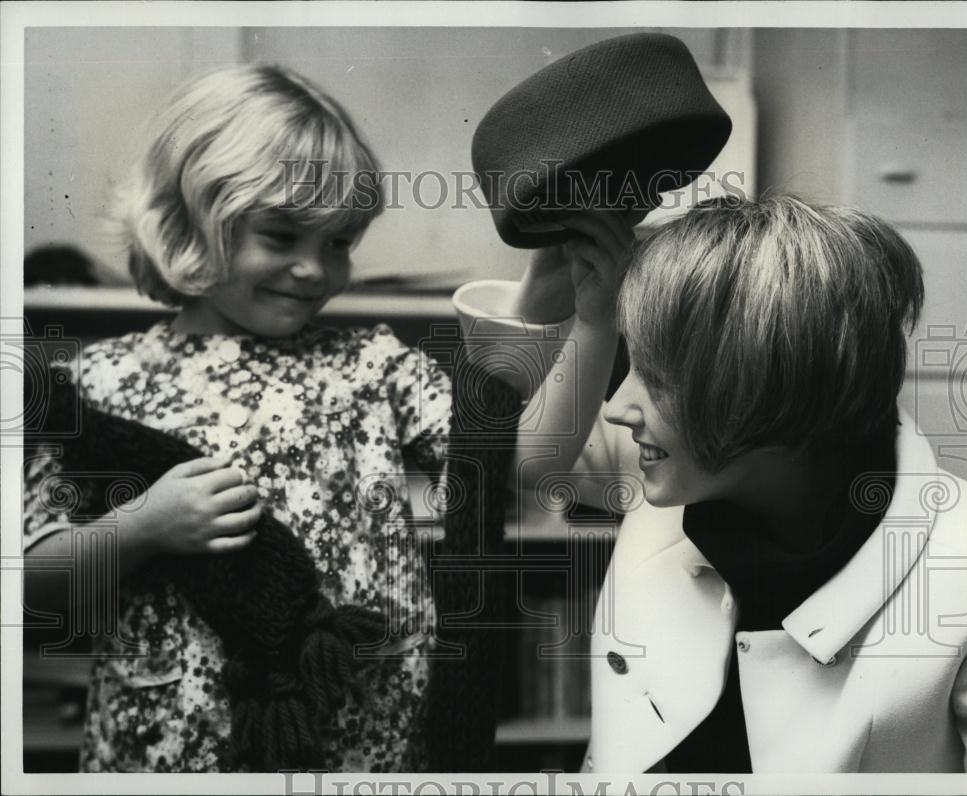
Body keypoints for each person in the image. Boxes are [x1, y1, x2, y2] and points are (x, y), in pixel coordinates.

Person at [21, 64, 635, 772]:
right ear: (188, 224)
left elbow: (525, 464)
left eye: (338, 243)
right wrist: (143, 526)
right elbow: (30, 577)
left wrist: (594, 320)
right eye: (282, 237)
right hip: (172, 755)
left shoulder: (374, 364)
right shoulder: (97, 384)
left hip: (367, 752)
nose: (315, 270)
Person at [467, 195, 967, 773]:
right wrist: (582, 315)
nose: (617, 408)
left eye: (658, 380)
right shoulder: (681, 466)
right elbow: (532, 467)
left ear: (771, 389)